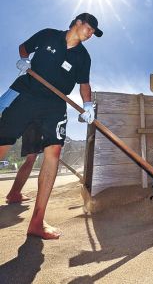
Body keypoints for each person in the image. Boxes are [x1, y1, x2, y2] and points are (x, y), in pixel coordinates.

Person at [0, 13, 103, 238]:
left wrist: (87, 105)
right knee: (3, 142)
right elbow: (23, 47)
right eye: (90, 28)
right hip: (27, 93)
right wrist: (25, 60)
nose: (91, 34)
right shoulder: (48, 35)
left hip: (55, 105)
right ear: (78, 22)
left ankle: (37, 222)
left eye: (94, 33)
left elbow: (84, 84)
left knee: (53, 151)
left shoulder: (83, 57)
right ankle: (15, 195)